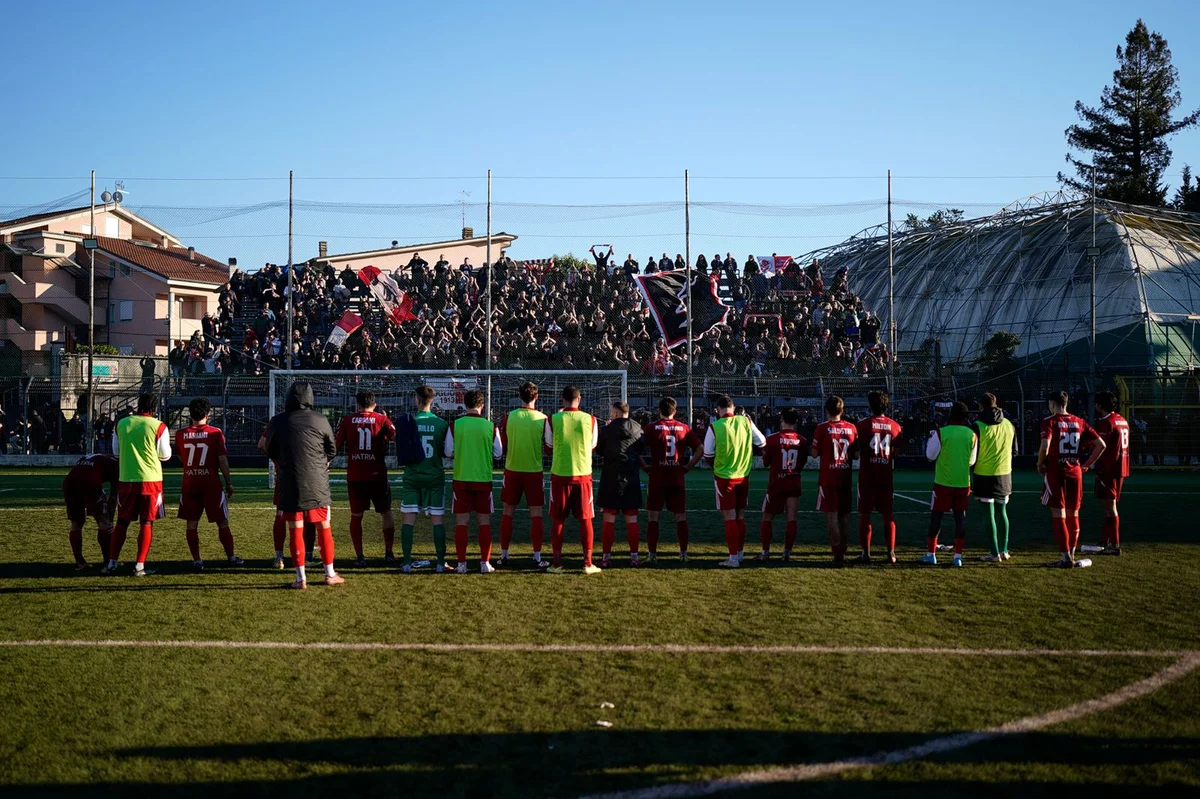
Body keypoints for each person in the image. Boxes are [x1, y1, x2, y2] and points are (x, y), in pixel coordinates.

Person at [265, 382, 343, 589]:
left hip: (289, 481)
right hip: (317, 482)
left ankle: (301, 579)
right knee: (324, 526)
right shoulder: (320, 419)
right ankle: (330, 574)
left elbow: (270, 450)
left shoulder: (277, 421)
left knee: (295, 528)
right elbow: (332, 449)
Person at [103, 394, 172, 577]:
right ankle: (139, 565)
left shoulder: (121, 424)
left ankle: (112, 563)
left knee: (122, 522)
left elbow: (116, 452)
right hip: (151, 481)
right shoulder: (159, 426)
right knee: (146, 522)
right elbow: (165, 456)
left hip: (126, 479)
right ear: (154, 409)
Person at [1037, 390, 1105, 568]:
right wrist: (1086, 464)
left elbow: (1045, 445)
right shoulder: (1079, 421)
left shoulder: (1049, 421)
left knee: (1058, 513)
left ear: (1052, 403)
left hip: (1056, 472)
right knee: (1073, 514)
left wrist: (1039, 463)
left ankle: (1065, 557)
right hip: (1075, 472)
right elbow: (1100, 445)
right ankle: (1071, 555)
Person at [175, 398, 242, 571]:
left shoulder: (181, 434)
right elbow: (222, 460)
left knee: (191, 524)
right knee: (222, 522)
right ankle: (231, 557)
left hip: (190, 483)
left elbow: (181, 457)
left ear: (190, 414)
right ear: (208, 414)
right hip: (211, 484)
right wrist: (229, 483)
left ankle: (197, 560)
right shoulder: (215, 432)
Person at [335, 390, 397, 566]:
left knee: (356, 515)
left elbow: (337, 444)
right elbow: (395, 437)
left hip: (356, 475)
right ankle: (389, 553)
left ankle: (360, 557)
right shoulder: (382, 419)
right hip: (377, 474)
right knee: (386, 511)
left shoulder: (348, 420)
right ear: (374, 404)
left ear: (358, 404)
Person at [704, 395, 766, 568]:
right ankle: (739, 553)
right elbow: (762, 442)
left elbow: (708, 455)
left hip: (725, 477)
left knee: (729, 517)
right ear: (733, 407)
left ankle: (732, 559)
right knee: (740, 516)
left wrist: (718, 465)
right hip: (743, 475)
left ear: (718, 410)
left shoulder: (715, 426)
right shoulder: (745, 421)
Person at [445, 389, 503, 574]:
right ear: (482, 405)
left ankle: (461, 564)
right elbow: (499, 453)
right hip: (482, 479)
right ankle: (484, 563)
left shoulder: (456, 425)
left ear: (464, 404)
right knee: (483, 522)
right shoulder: (490, 426)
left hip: (461, 478)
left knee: (461, 523)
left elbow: (448, 451)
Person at [544, 386, 600, 574]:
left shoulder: (552, 419)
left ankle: (557, 563)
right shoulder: (590, 419)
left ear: (562, 399)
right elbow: (593, 445)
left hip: (560, 474)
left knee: (558, 520)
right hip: (583, 474)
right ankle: (587, 563)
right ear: (580, 399)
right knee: (586, 520)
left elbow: (549, 445)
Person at [641, 397, 703, 563]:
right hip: (676, 477)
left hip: (657, 478)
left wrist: (644, 466)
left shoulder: (651, 428)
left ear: (659, 410)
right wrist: (688, 466)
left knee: (653, 517)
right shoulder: (684, 428)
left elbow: (635, 449)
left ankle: (652, 555)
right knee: (680, 517)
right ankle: (683, 554)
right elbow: (700, 449)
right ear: (674, 411)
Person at [399, 386, 450, 573]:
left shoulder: (408, 422)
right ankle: (440, 563)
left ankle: (406, 563)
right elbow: (447, 452)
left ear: (417, 400)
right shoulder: (442, 424)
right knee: (437, 521)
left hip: (412, 476)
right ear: (432, 400)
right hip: (434, 476)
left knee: (408, 520)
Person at [499, 382, 549, 567]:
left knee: (507, 513)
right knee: (536, 514)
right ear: (537, 397)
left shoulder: (508, 417)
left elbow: (503, 447)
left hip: (512, 470)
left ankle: (504, 555)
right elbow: (548, 447)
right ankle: (537, 557)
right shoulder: (543, 419)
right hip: (534, 471)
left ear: (519, 396)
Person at [923, 401, 978, 568]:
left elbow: (930, 456)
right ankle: (957, 556)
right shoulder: (972, 435)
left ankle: (931, 554)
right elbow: (971, 461)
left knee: (936, 518)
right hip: (963, 483)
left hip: (943, 483)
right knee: (960, 518)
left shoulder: (942, 433)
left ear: (950, 415)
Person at [856, 391, 902, 564]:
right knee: (888, 515)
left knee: (865, 515)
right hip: (885, 476)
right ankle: (891, 553)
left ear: (870, 406)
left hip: (867, 476)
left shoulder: (861, 426)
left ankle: (865, 554)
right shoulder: (895, 426)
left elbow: (858, 450)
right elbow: (896, 453)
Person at [596, 401, 644, 568]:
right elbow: (641, 448)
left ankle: (606, 558)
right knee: (632, 520)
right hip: (631, 477)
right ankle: (634, 557)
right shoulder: (638, 428)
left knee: (609, 519)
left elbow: (599, 450)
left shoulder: (607, 430)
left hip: (611, 477)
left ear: (615, 413)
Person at [811, 395, 857, 567]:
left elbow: (814, 454)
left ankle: (837, 552)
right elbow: (856, 454)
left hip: (828, 478)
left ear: (826, 411)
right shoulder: (852, 428)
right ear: (842, 411)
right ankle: (843, 549)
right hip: (845, 476)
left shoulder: (822, 428)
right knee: (844, 515)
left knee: (831, 515)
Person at [972, 393, 1017, 563]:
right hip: (1004, 473)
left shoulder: (977, 425)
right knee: (1002, 511)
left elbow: (972, 452)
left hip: (984, 474)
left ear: (981, 406)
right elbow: (1015, 451)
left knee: (988, 514)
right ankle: (1004, 550)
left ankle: (994, 553)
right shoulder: (1009, 424)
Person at [757, 409, 806, 561]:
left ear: (782, 420)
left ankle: (765, 552)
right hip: (793, 481)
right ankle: (786, 553)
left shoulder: (772, 439)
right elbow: (802, 462)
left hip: (777, 483)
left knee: (767, 517)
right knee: (791, 518)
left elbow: (765, 462)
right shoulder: (802, 441)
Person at [1089, 390, 1130, 555]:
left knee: (1110, 507)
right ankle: (1106, 540)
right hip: (1121, 467)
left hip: (1109, 468)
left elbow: (1102, 447)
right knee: (1109, 506)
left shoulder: (1106, 422)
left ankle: (1115, 545)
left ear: (1100, 405)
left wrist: (1089, 463)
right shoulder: (1122, 419)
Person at [62, 453, 118, 570]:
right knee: (103, 522)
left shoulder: (101, 457)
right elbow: (113, 497)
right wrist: (110, 520)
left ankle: (80, 562)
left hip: (69, 482)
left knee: (76, 522)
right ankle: (108, 561)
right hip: (89, 483)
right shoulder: (117, 466)